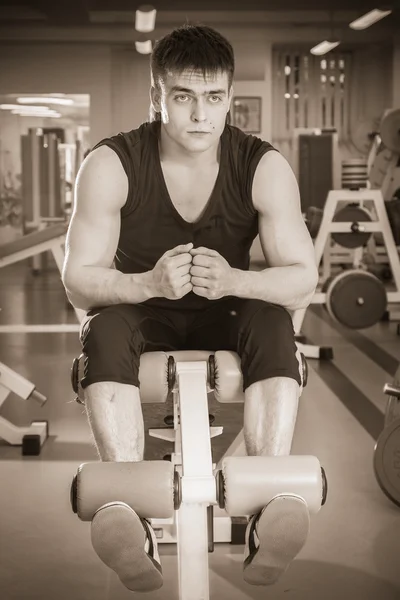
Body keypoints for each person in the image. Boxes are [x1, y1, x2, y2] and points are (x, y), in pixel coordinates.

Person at [62, 23, 319, 593]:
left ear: (229, 98)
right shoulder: (111, 163)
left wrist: (233, 279)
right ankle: (131, 514)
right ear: (158, 99)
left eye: (214, 98)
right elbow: (78, 283)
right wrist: (148, 282)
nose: (200, 115)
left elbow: (305, 278)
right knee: (102, 330)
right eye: (183, 97)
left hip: (224, 308)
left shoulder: (262, 166)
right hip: (140, 314)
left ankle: (262, 509)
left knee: (274, 321)